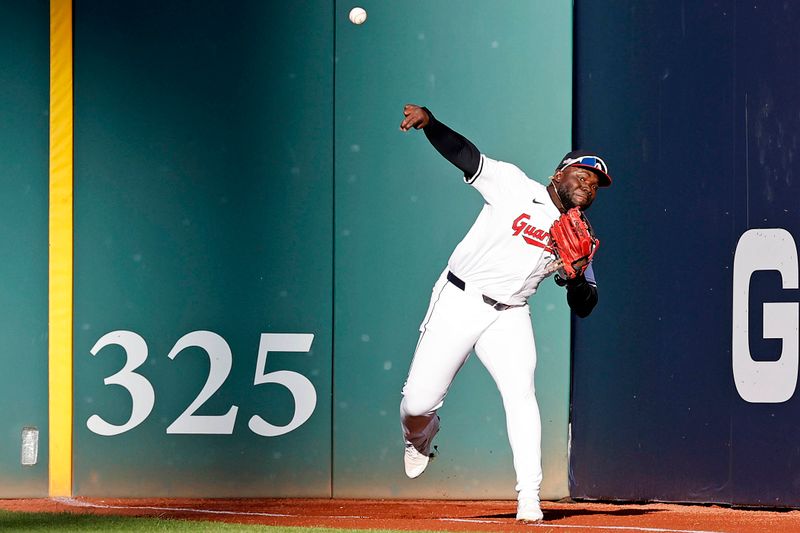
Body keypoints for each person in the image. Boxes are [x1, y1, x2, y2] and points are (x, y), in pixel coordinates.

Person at [398, 104, 612, 522]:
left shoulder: (579, 238)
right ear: (559, 175)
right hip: (460, 298)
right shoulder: (516, 186)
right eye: (582, 176)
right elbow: (466, 155)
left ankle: (529, 499)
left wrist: (575, 277)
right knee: (417, 403)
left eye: (596, 184)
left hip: (510, 313)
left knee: (522, 396)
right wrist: (432, 123)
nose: (589, 186)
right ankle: (418, 436)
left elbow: (585, 306)